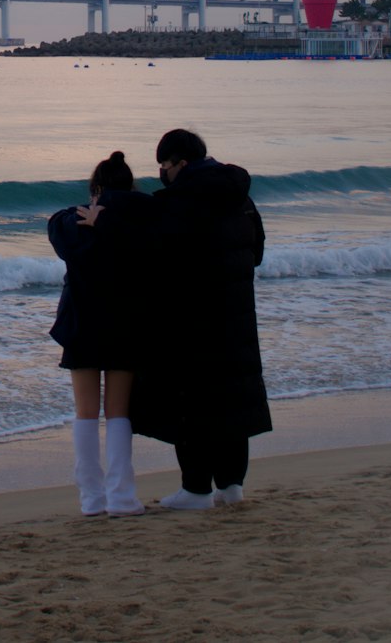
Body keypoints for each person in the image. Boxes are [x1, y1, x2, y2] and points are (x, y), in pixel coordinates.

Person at [130, 127, 271, 510]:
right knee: (231, 402)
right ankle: (231, 486)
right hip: (237, 318)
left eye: (165, 165)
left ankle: (195, 489)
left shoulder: (183, 202)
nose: (162, 172)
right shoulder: (242, 198)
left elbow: (159, 257)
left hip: (191, 320)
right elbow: (256, 253)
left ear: (182, 163)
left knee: (190, 406)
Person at [48, 150, 147, 516]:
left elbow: (54, 228)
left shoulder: (74, 223)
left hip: (82, 323)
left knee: (86, 412)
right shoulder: (143, 221)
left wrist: (85, 214)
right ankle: (122, 497)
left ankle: (91, 499)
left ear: (96, 189)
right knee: (118, 412)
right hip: (125, 323)